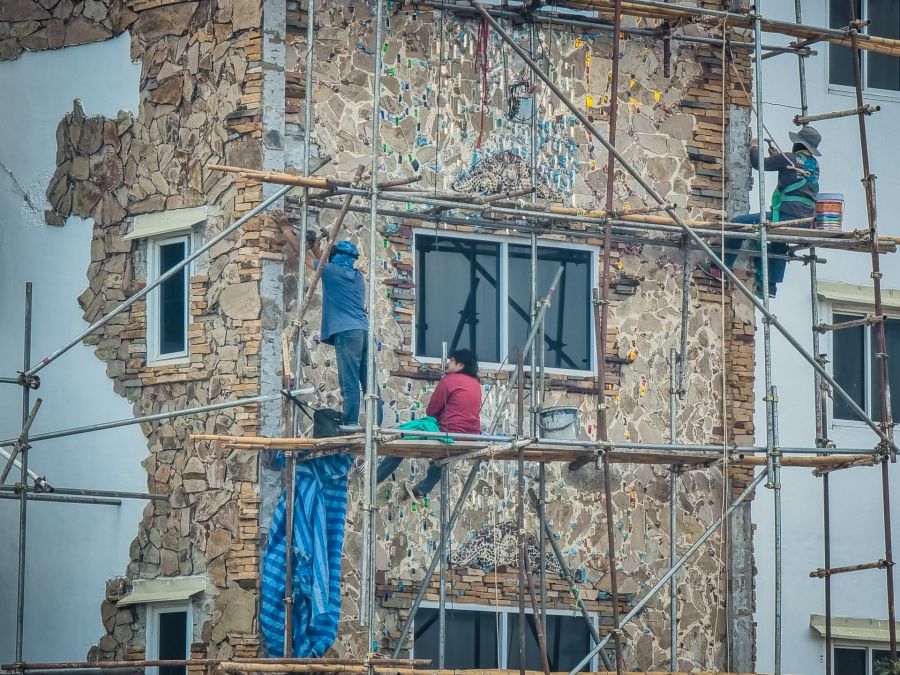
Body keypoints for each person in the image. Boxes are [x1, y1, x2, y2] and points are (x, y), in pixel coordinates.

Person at [698, 125, 822, 298]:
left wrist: (754, 147)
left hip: (784, 217)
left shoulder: (788, 158)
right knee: (779, 243)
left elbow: (758, 164)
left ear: (798, 144)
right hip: (805, 222)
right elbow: (794, 175)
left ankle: (719, 267)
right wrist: (777, 158)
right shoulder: (814, 166)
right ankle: (770, 286)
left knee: (738, 223)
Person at [280, 215, 377, 427]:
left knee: (349, 381)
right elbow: (323, 262)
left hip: (346, 332)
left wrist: (287, 230)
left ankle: (350, 422)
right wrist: (317, 246)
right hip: (363, 330)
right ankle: (375, 423)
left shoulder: (331, 271)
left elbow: (306, 257)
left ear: (334, 258)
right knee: (368, 381)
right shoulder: (357, 276)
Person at [377, 349, 482, 503]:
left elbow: (432, 410)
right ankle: (422, 489)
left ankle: (375, 477)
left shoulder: (450, 381)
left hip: (447, 433)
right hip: (470, 437)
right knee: (442, 458)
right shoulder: (476, 385)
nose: (448, 363)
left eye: (451, 360)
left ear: (460, 365)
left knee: (401, 440)